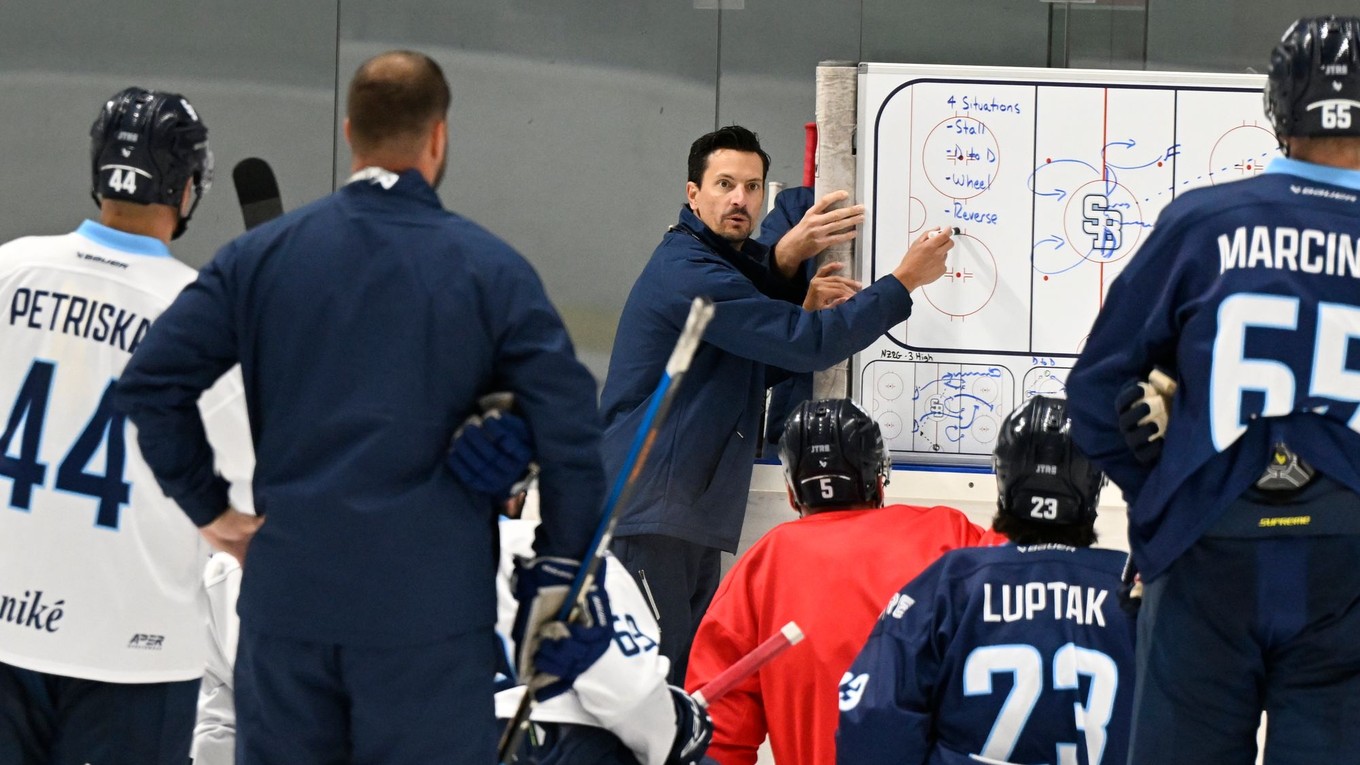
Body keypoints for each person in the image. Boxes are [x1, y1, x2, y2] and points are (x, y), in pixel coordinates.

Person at [115, 50, 606, 764]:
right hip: (430, 621)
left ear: (350, 133)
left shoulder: (261, 257)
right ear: (438, 137)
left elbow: (150, 383)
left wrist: (212, 510)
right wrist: (559, 573)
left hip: (290, 606)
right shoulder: (492, 270)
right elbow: (572, 436)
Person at [1065, 15, 1360, 763]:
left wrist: (1162, 485)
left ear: (1280, 106)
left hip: (1209, 546)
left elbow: (1098, 392)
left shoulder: (1202, 222)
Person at [601, 125, 955, 682]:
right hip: (654, 509)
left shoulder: (715, 266)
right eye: (724, 184)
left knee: (684, 684)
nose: (740, 198)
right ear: (693, 193)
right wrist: (903, 282)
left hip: (681, 512)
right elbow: (804, 343)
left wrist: (795, 296)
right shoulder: (687, 272)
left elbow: (760, 365)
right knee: (649, 685)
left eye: (752, 186)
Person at [0, 87, 256, 765]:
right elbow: (254, 486)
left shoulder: (8, 267)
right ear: (187, 186)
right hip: (130, 650)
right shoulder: (201, 311)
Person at [188, 512, 714, 765]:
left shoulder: (227, 576)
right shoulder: (535, 553)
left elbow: (219, 730)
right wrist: (675, 729)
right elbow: (628, 694)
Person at [684, 398, 989, 765]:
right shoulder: (950, 534)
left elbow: (715, 738)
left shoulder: (762, 567)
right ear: (879, 478)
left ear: (792, 492)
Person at [837, 395, 1135, 765]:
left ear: (1004, 479)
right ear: (1093, 485)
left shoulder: (949, 583)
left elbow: (873, 723)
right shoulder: (1135, 588)